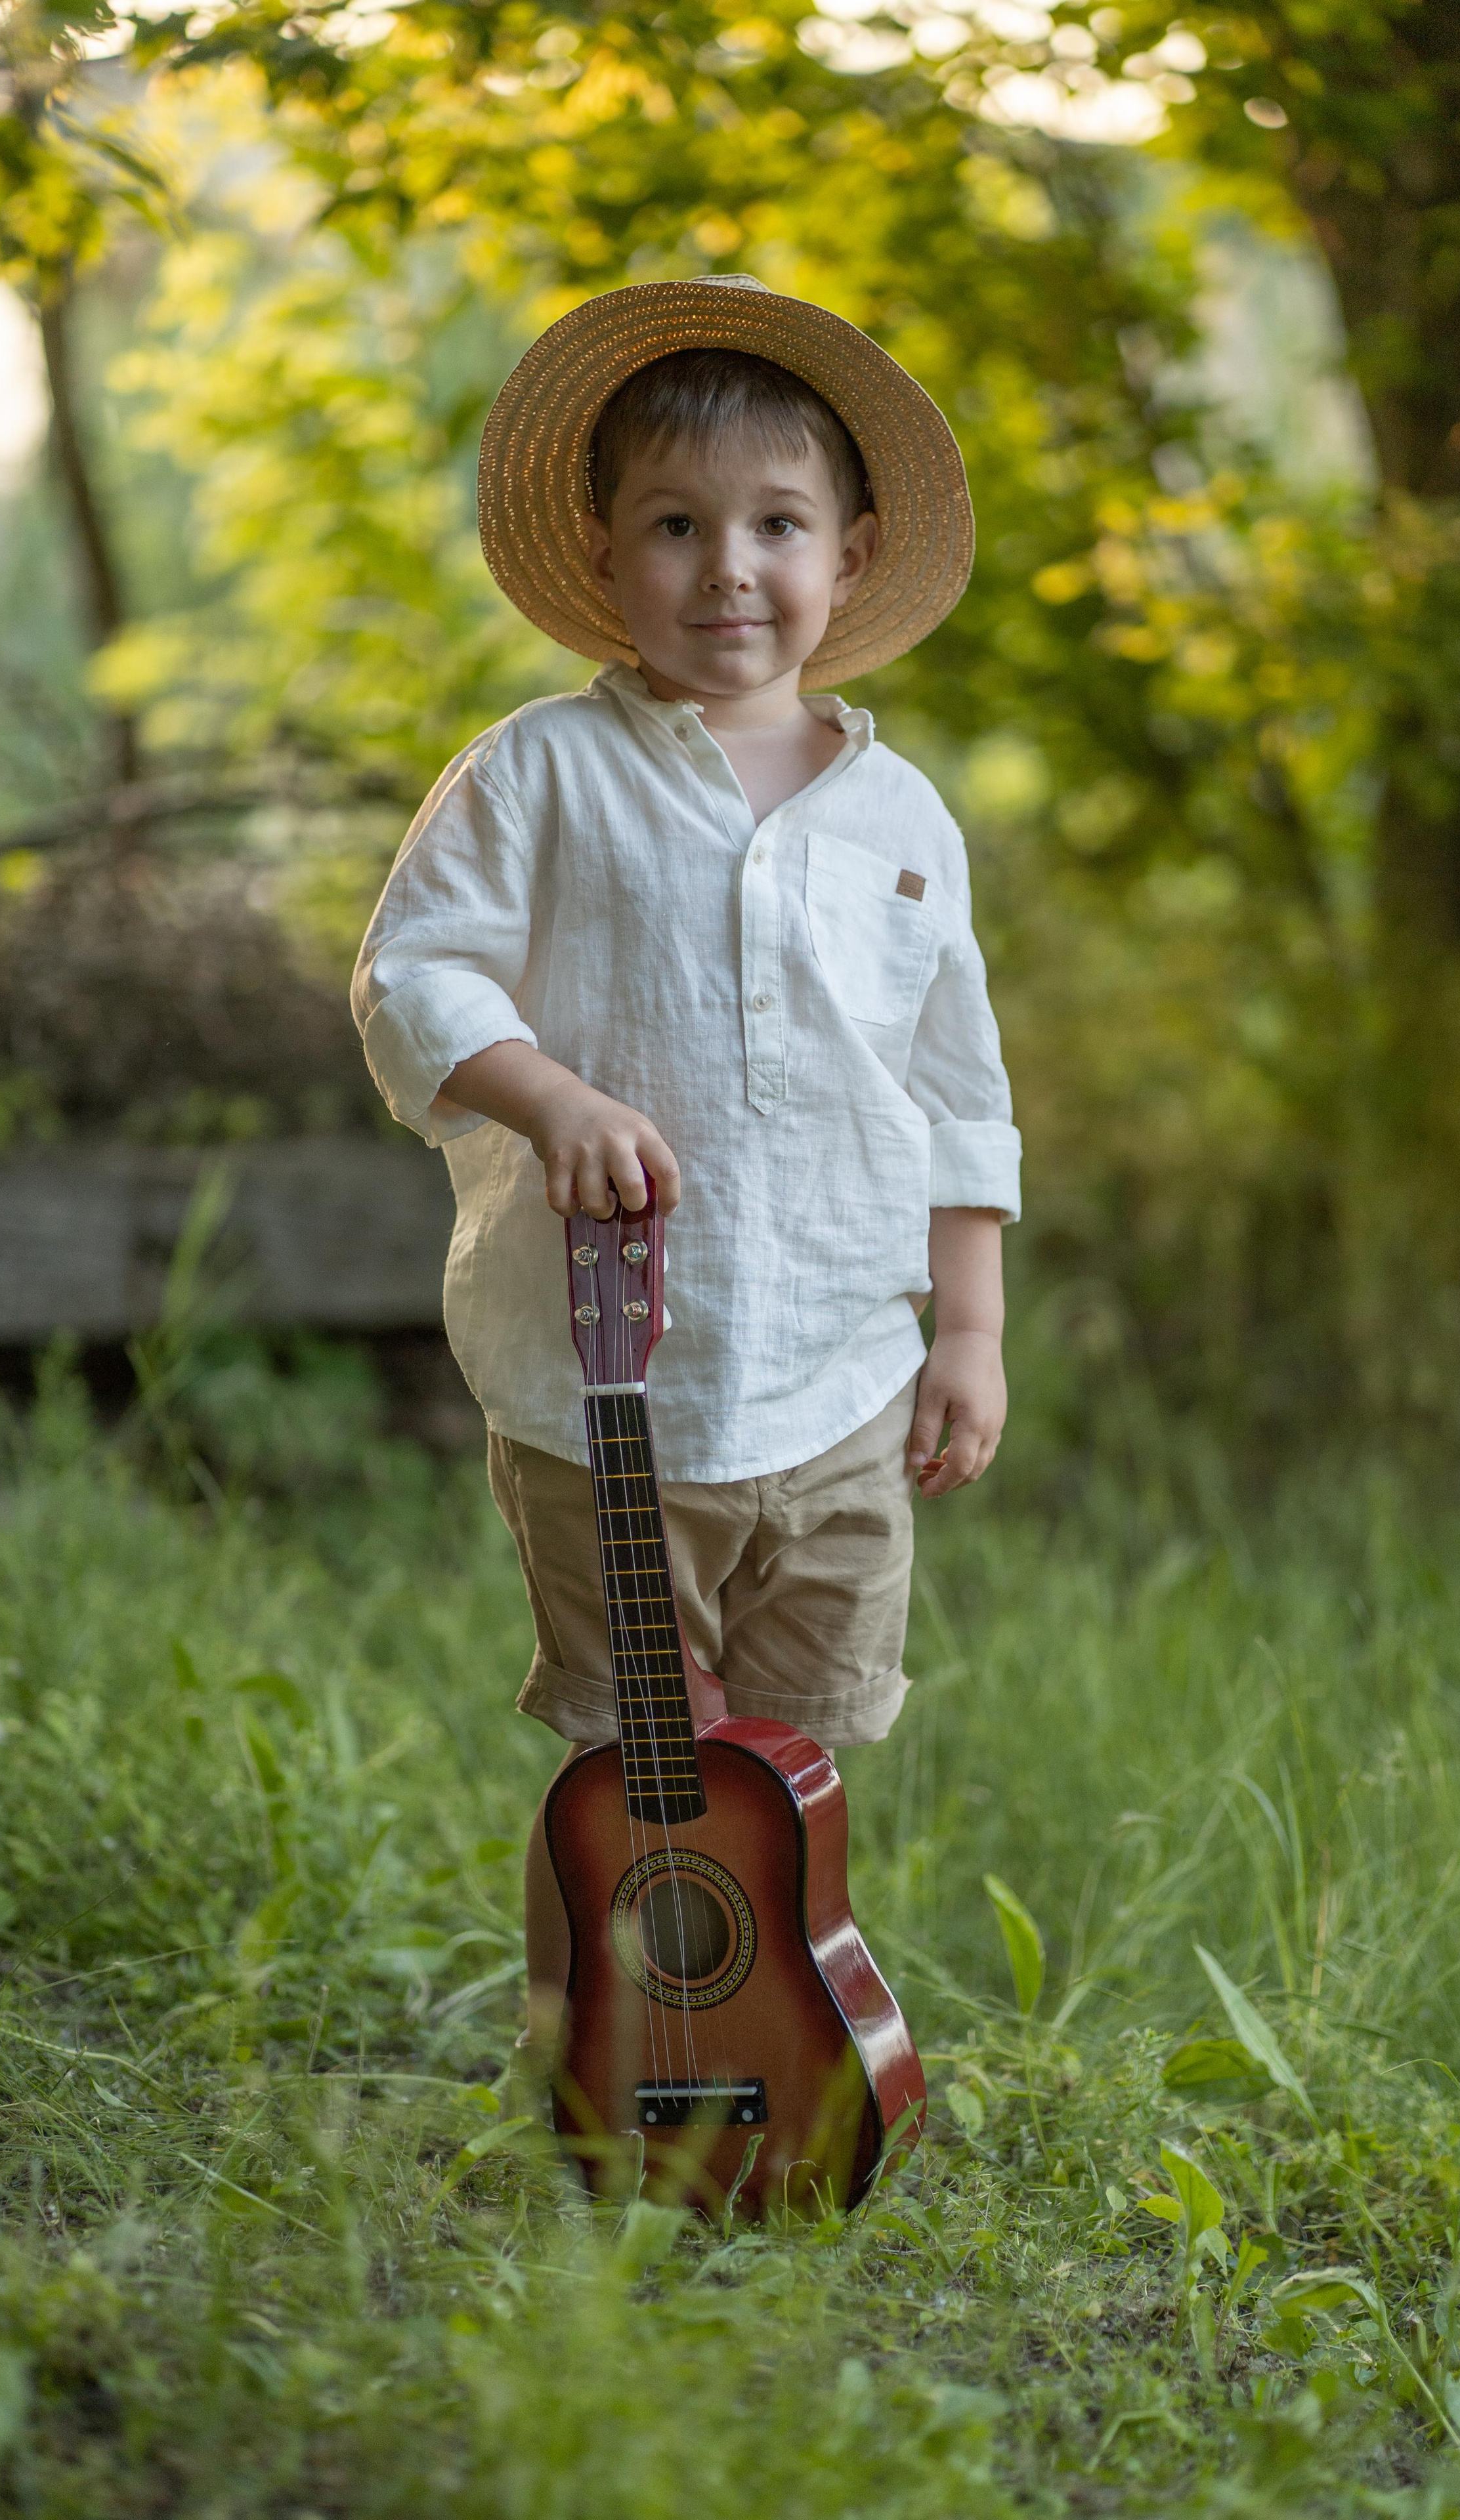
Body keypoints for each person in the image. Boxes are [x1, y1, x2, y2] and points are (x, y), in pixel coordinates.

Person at [351, 276, 1021, 2055]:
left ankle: (774, 2042)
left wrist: (967, 1331)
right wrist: (549, 1098)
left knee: (787, 1765)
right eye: (676, 526)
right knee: (629, 1761)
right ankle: (580, 2047)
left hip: (842, 1375)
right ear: (605, 552)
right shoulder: (541, 773)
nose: (730, 569)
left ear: (850, 558)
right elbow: (414, 975)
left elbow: (956, 1088)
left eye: (777, 526)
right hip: (606, 1391)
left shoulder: (902, 818)